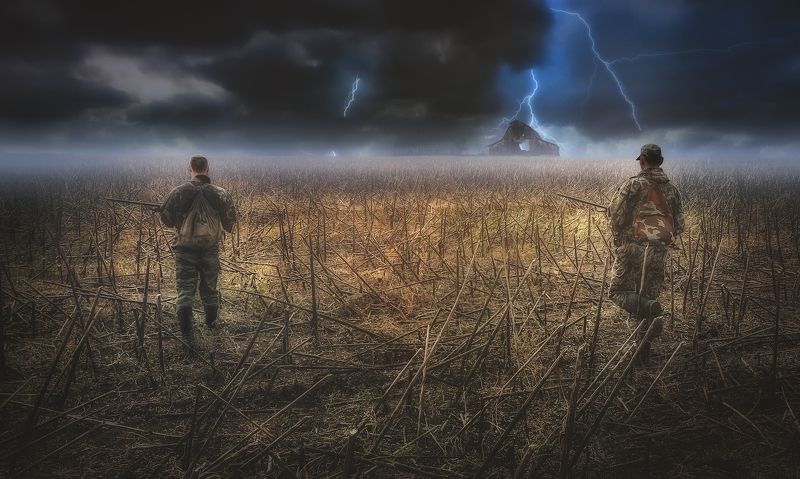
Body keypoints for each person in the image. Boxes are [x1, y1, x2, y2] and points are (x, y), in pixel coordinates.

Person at [607, 144, 685, 364]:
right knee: (647, 294)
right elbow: (679, 225)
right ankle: (643, 354)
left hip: (631, 248)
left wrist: (621, 233)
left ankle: (651, 312)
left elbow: (616, 218)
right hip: (658, 252)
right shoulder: (672, 190)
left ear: (642, 160)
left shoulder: (632, 185)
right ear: (660, 162)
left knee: (619, 292)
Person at [160, 155, 236, 346]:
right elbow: (229, 224)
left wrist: (181, 218)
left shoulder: (178, 192)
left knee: (185, 290)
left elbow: (167, 220)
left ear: (189, 168)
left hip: (185, 250)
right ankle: (211, 327)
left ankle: (187, 335)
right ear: (207, 169)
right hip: (210, 249)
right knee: (210, 289)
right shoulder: (221, 193)